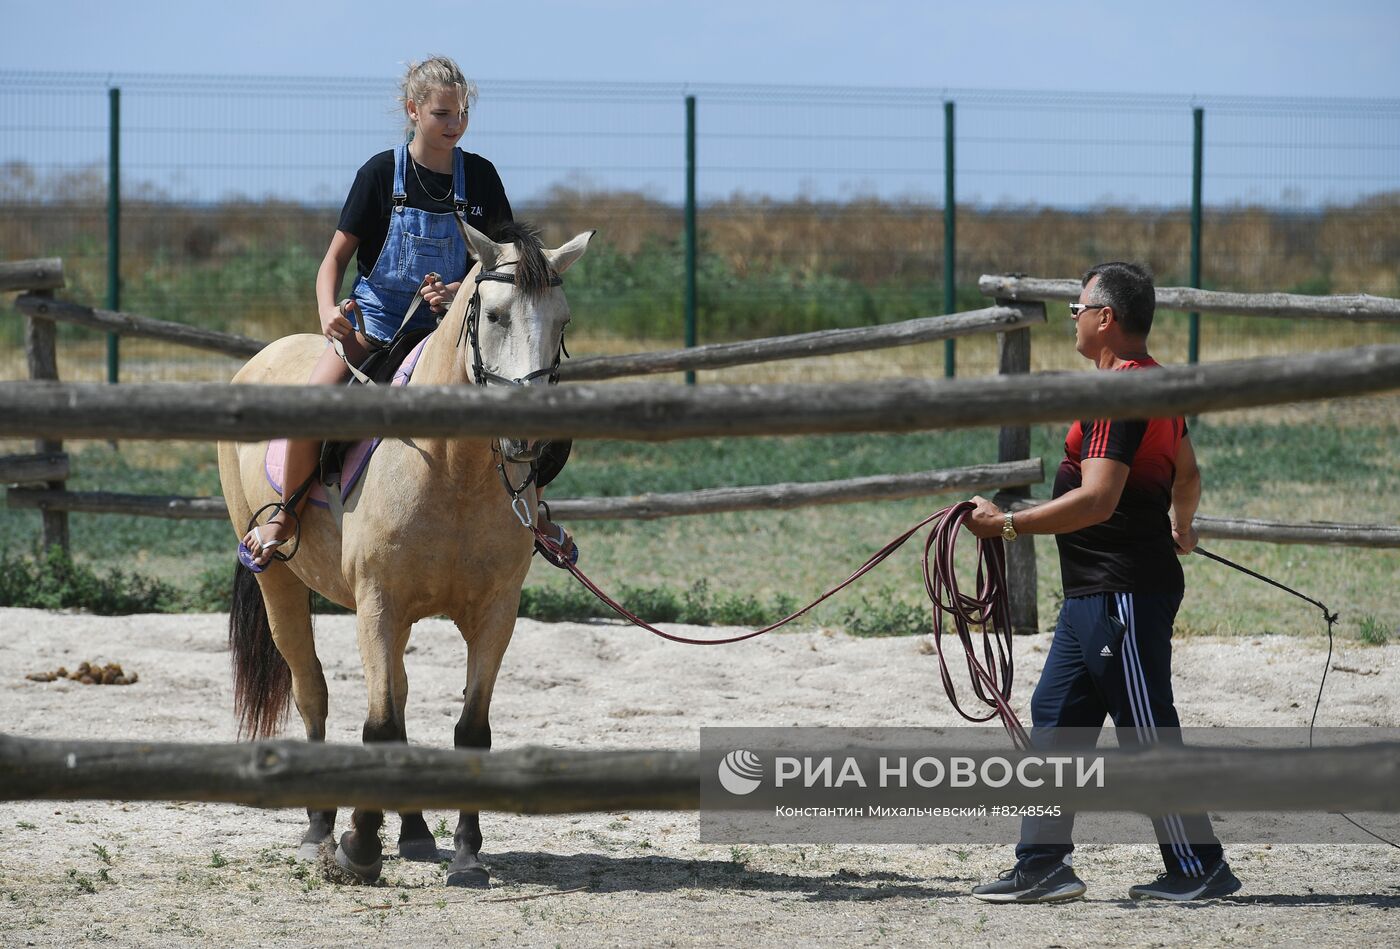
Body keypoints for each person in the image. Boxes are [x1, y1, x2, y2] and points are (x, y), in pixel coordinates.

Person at [963, 261, 1239, 903]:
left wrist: (1007, 525)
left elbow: (1098, 501)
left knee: (1145, 729)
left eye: (1078, 310)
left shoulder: (1120, 394)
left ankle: (1199, 868)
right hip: (1096, 591)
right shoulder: (1155, 386)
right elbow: (1188, 473)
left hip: (1123, 590)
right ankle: (1044, 862)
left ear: (1106, 318)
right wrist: (1183, 524)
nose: (1074, 320)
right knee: (1056, 716)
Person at [240, 56, 575, 569]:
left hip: (454, 332)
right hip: (374, 326)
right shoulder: (378, 174)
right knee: (310, 405)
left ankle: (535, 510)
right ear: (413, 109)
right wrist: (328, 310)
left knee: (541, 405)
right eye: (443, 114)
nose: (455, 124)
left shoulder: (481, 177)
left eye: (462, 113)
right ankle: (285, 513)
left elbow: (506, 263)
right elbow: (334, 258)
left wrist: (459, 290)